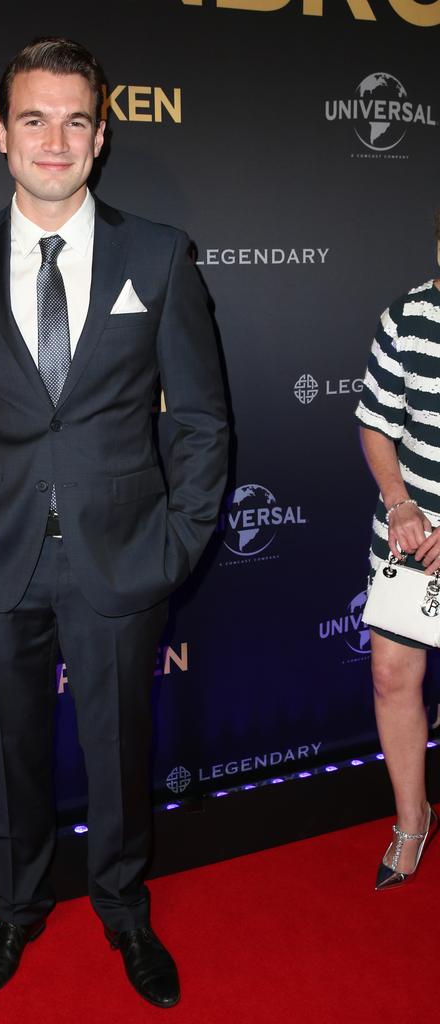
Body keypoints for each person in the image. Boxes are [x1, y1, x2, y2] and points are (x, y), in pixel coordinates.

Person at [0, 37, 228, 1007]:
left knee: (122, 751)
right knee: (9, 752)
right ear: (1, 133)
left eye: (74, 119)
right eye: (33, 118)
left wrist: (179, 537)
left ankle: (123, 907)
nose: (54, 139)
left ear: (101, 135)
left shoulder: (157, 253)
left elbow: (203, 418)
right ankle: (16, 904)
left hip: (123, 552)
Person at [356, 211, 440, 890]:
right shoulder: (408, 316)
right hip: (412, 537)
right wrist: (399, 501)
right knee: (392, 677)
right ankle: (412, 821)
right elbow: (378, 426)